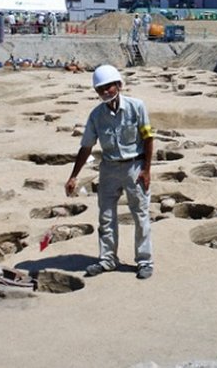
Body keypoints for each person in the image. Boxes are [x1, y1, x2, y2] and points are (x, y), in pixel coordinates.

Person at [64, 64, 154, 280]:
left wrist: (146, 170)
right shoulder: (96, 116)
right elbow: (86, 146)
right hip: (109, 168)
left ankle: (144, 261)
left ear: (119, 85)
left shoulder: (136, 107)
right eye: (100, 89)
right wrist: (74, 176)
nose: (105, 92)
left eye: (109, 87)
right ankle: (107, 260)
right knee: (106, 216)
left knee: (140, 215)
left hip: (135, 167)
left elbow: (148, 138)